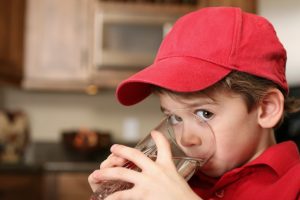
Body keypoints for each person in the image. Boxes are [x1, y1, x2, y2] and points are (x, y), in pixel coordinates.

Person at [88, 7, 300, 200]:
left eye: (204, 114)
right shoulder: (176, 180)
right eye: (174, 118)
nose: (185, 139)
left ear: (266, 108)